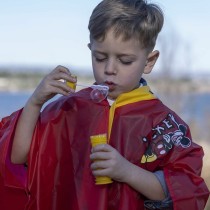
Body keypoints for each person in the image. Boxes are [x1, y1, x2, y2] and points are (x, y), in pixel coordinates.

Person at [0, 0, 209, 209]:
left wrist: (126, 171)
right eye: (99, 58)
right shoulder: (69, 109)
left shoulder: (164, 123)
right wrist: (35, 102)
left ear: (149, 61)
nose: (109, 69)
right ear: (91, 49)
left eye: (125, 61)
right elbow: (18, 157)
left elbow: (183, 191)